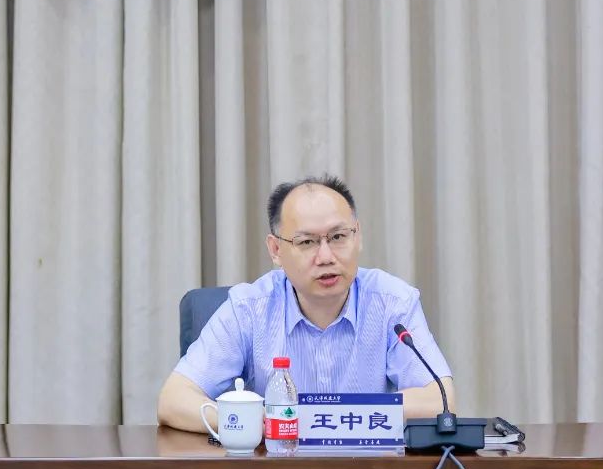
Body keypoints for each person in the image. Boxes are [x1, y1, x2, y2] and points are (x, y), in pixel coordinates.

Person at [156, 175, 455, 433]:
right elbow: (174, 400)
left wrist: (321, 418)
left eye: (338, 237)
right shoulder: (248, 309)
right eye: (307, 242)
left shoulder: (393, 303)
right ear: (276, 250)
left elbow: (439, 400)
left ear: (358, 236)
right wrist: (251, 421)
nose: (326, 256)